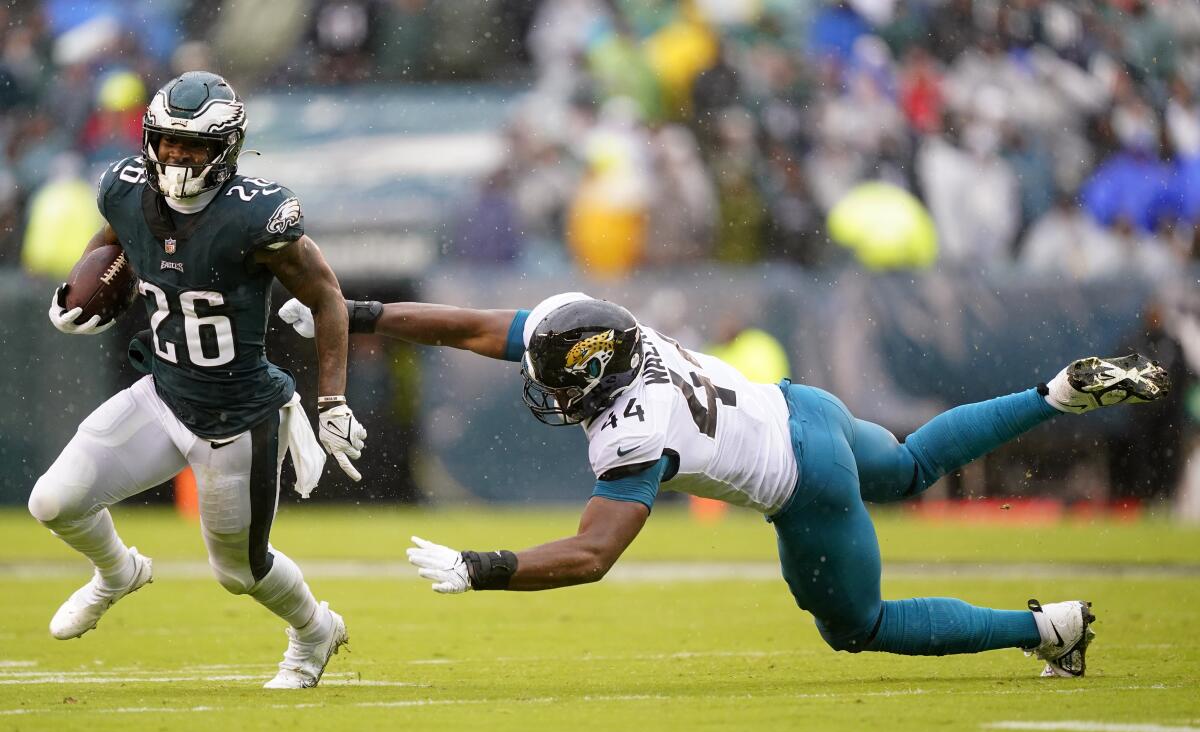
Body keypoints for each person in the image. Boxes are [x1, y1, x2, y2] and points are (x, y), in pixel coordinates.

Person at [280, 292, 1170, 677]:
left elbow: (594, 555)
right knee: (905, 466)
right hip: (804, 409)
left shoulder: (636, 426)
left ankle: (1044, 631)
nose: (548, 395)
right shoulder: (595, 327)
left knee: (854, 628)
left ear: (596, 377)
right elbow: (477, 327)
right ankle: (1054, 394)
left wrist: (483, 567)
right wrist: (354, 314)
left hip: (801, 477)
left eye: (561, 386)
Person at [27, 72, 367, 690]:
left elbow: (329, 299)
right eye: (168, 142)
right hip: (163, 392)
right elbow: (114, 242)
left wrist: (333, 400)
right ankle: (116, 572)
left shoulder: (257, 215)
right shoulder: (125, 189)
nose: (178, 156)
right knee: (53, 501)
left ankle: (315, 629)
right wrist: (83, 287)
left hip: (236, 416)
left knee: (239, 573)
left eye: (194, 146)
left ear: (226, 148)